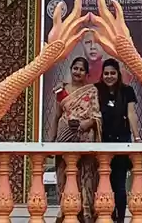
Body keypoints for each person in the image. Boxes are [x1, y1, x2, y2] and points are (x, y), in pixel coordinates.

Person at [51, 55, 101, 223]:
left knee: (86, 173)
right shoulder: (61, 90)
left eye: (81, 69)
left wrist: (86, 124)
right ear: (71, 69)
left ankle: (86, 210)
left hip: (84, 136)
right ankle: (65, 209)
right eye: (75, 68)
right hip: (64, 135)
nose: (77, 72)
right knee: (64, 172)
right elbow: (57, 116)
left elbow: (96, 115)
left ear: (86, 73)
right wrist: (50, 142)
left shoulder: (91, 91)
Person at [96, 58, 141, 223]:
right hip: (101, 142)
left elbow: (131, 114)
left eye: (112, 73)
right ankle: (104, 216)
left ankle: (120, 218)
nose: (109, 76)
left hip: (121, 139)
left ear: (118, 74)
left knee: (120, 183)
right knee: (102, 181)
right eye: (106, 73)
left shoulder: (127, 91)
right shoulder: (96, 89)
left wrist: (136, 138)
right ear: (102, 74)